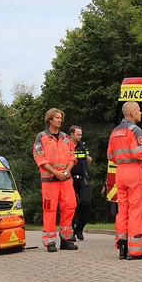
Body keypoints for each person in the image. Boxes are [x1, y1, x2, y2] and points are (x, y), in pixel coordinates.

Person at [107, 101, 142, 260]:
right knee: (135, 210)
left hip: (120, 172)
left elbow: (110, 156)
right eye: (139, 111)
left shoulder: (114, 131)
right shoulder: (135, 130)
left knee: (123, 210)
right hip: (134, 172)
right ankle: (135, 251)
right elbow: (139, 154)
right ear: (132, 113)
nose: (140, 113)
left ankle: (122, 248)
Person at [33, 108, 78, 252]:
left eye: (60, 117)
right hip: (50, 180)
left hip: (65, 179)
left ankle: (66, 240)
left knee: (69, 207)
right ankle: (50, 242)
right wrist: (55, 172)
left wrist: (66, 171)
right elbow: (40, 158)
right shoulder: (41, 137)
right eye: (57, 118)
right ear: (50, 120)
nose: (59, 120)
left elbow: (72, 157)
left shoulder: (65, 137)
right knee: (50, 209)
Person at [69, 125, 92, 241]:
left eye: (81, 134)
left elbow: (89, 159)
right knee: (71, 206)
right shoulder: (66, 145)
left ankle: (80, 228)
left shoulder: (82, 146)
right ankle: (71, 230)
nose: (80, 136)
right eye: (78, 134)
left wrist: (86, 165)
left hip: (82, 178)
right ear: (71, 134)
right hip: (69, 179)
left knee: (86, 203)